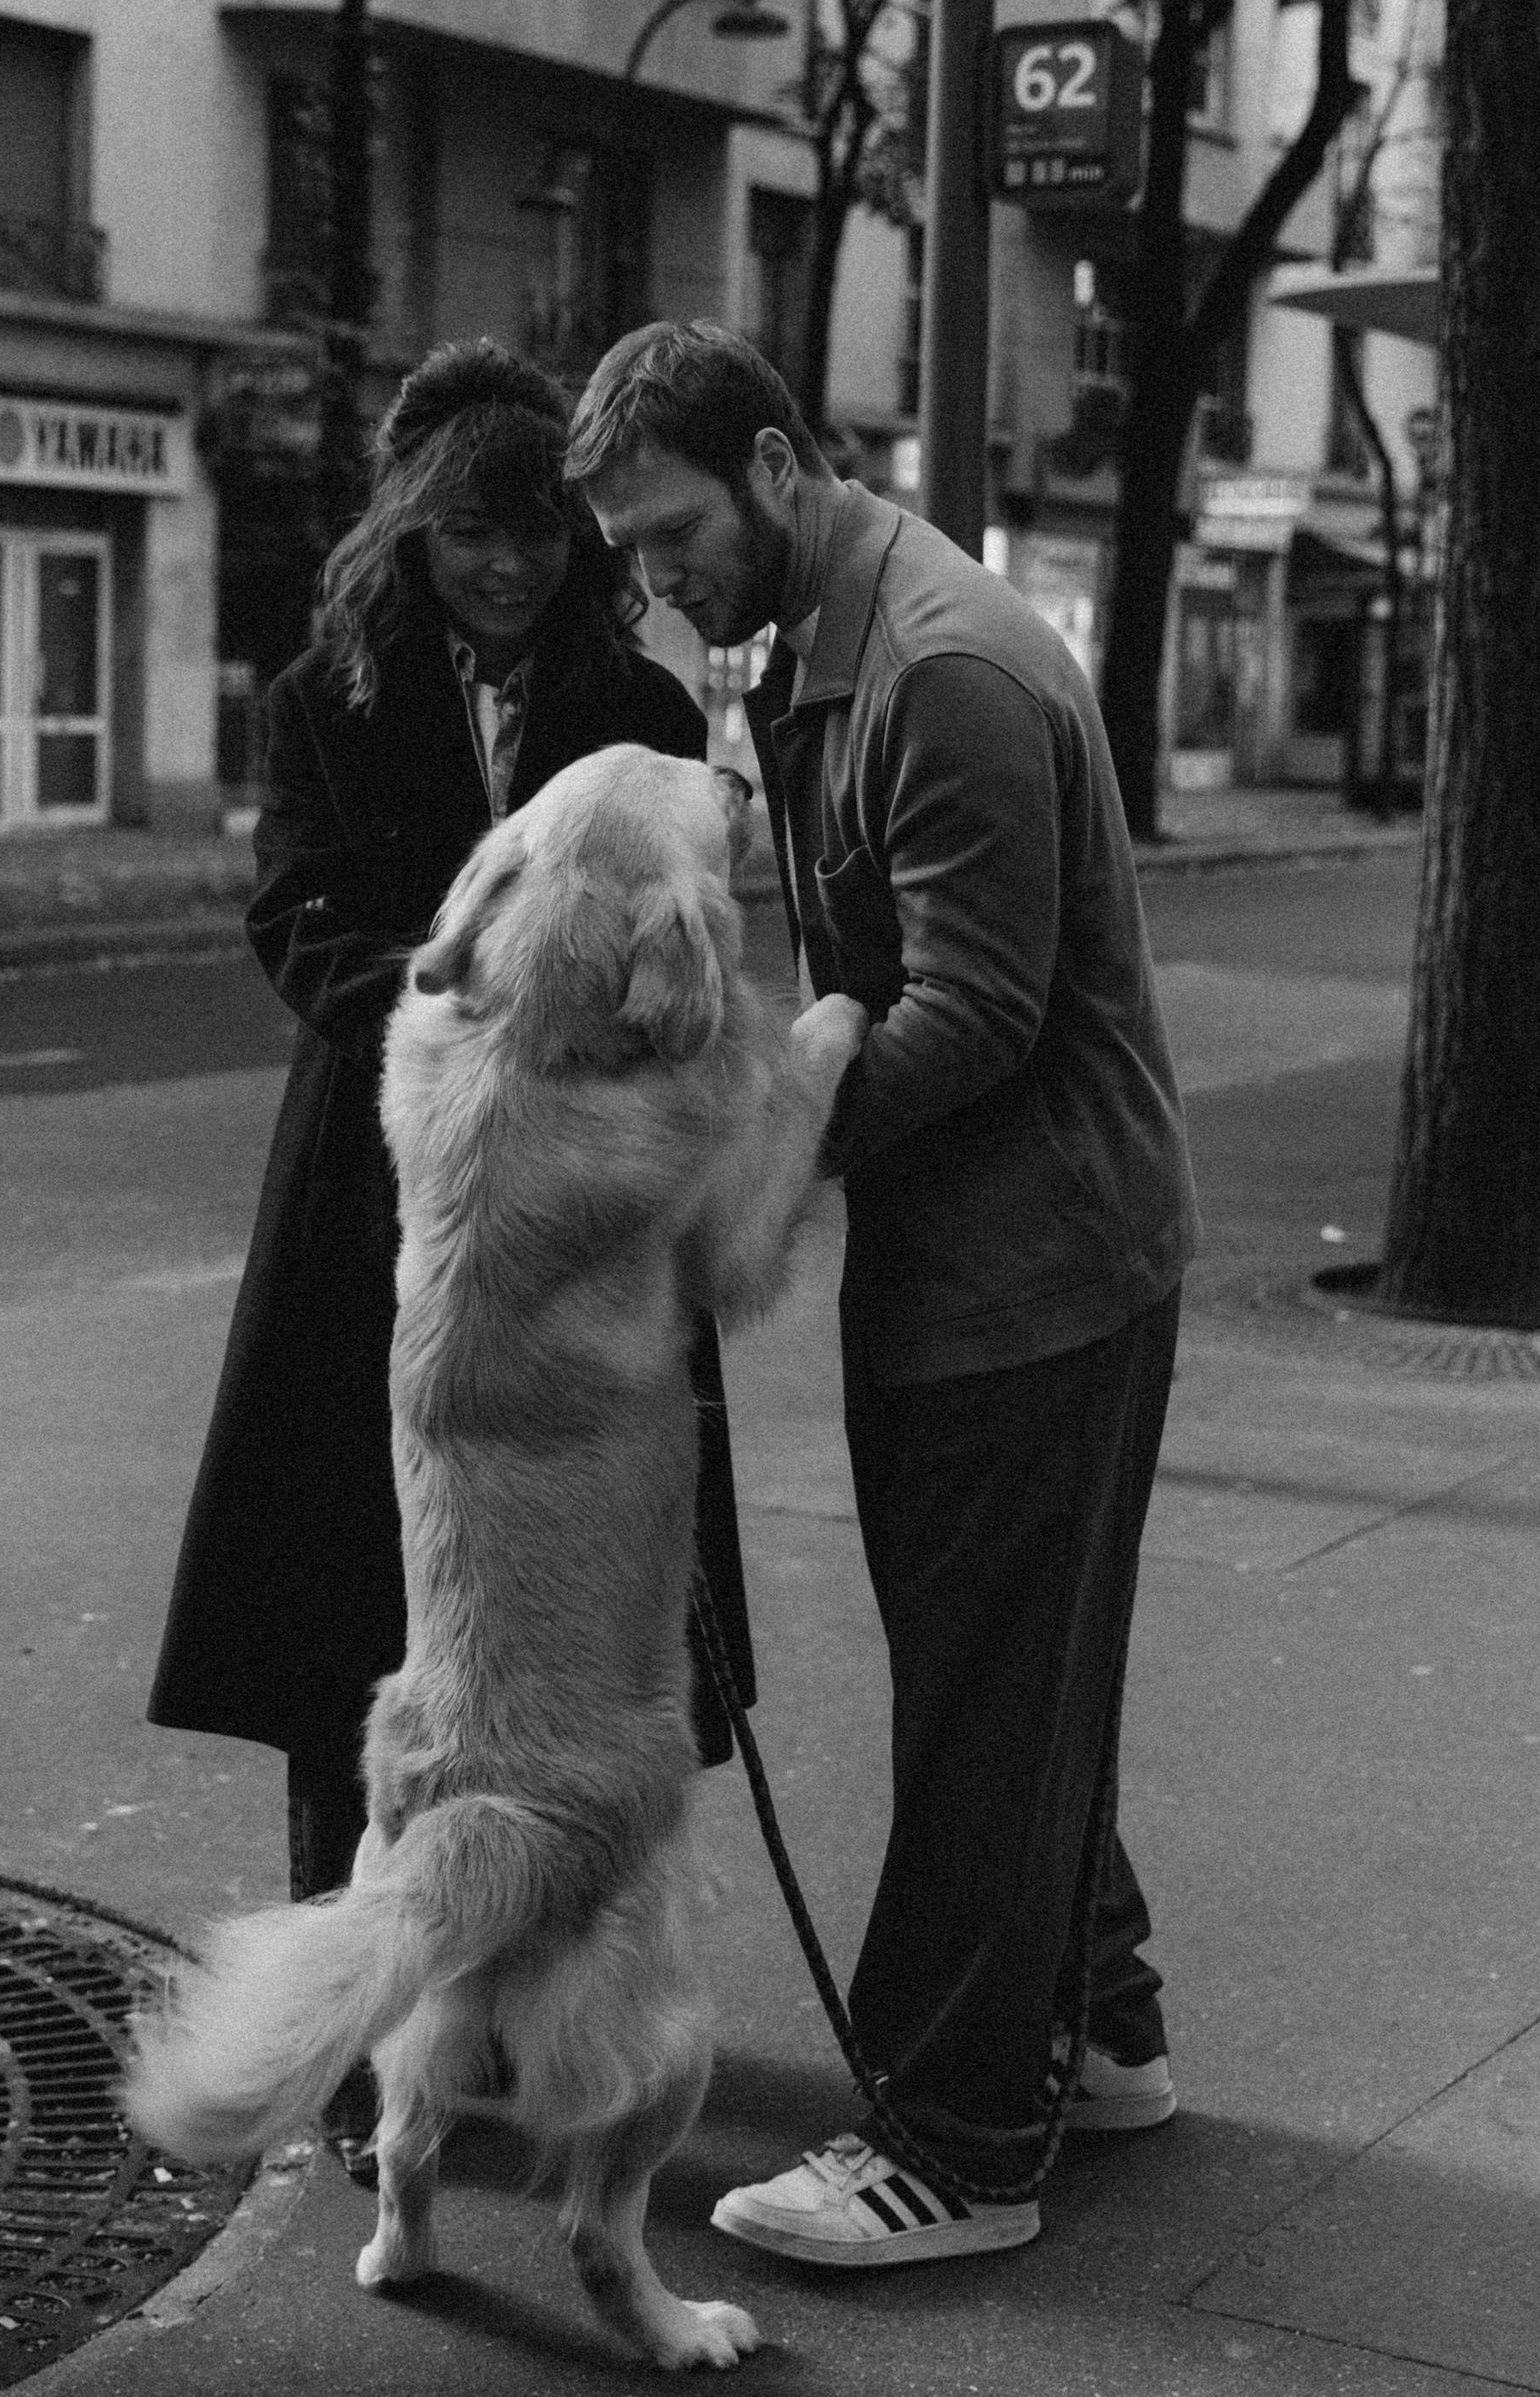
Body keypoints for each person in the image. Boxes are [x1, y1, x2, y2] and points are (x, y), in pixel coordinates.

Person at [566, 320, 1200, 2271]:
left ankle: (952, 2144)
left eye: (671, 535)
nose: (656, 588)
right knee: (1013, 1671)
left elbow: (972, 1016)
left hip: (1037, 1264)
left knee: (982, 1702)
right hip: (979, 1256)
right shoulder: (810, 649)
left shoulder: (934, 667)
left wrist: (747, 1159)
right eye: (631, 560)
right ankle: (1092, 2032)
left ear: (771, 467)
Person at [149, 339, 759, 2176]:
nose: (501, 569)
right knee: (362, 1606)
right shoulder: (323, 698)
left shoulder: (633, 694)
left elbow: (695, 949)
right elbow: (295, 915)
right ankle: (359, 2047)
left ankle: (563, 1999)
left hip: (586, 1198)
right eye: (467, 536)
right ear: (411, 533)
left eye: (531, 537)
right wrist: (444, 1021)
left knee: (586, 1632)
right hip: (376, 1175)